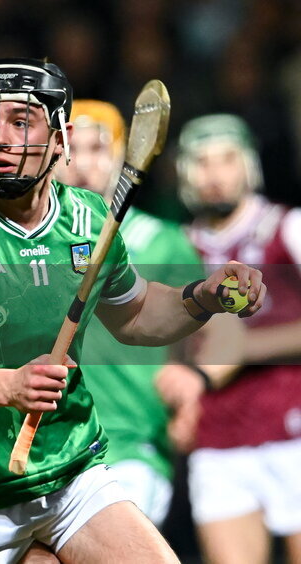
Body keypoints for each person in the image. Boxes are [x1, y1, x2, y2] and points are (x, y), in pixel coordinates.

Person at [0, 58, 266, 564]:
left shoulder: (87, 218)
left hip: (70, 471)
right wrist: (7, 387)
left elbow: (138, 314)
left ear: (60, 137)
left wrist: (201, 298)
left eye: (20, 121)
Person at [159, 114, 301, 564]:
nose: (214, 174)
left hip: (293, 429)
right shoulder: (177, 246)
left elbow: (234, 345)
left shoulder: (288, 228)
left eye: (226, 160)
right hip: (217, 440)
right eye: (201, 162)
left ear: (248, 165)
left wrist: (246, 348)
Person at [53, 100, 204, 526]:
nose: (82, 163)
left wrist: (196, 380)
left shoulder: (165, 241)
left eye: (97, 148)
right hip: (49, 447)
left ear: (123, 156)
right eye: (70, 150)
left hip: (132, 445)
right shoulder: (29, 243)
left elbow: (210, 331)